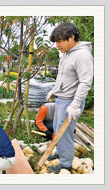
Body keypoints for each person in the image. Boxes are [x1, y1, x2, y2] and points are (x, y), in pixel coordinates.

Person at [46, 23, 93, 174]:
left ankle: (66, 165)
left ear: (71, 38)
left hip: (70, 102)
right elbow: (64, 76)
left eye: (59, 41)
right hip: (62, 98)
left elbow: (85, 82)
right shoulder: (67, 53)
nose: (57, 45)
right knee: (58, 129)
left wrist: (75, 104)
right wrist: (55, 89)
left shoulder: (83, 55)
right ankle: (61, 154)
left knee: (64, 133)